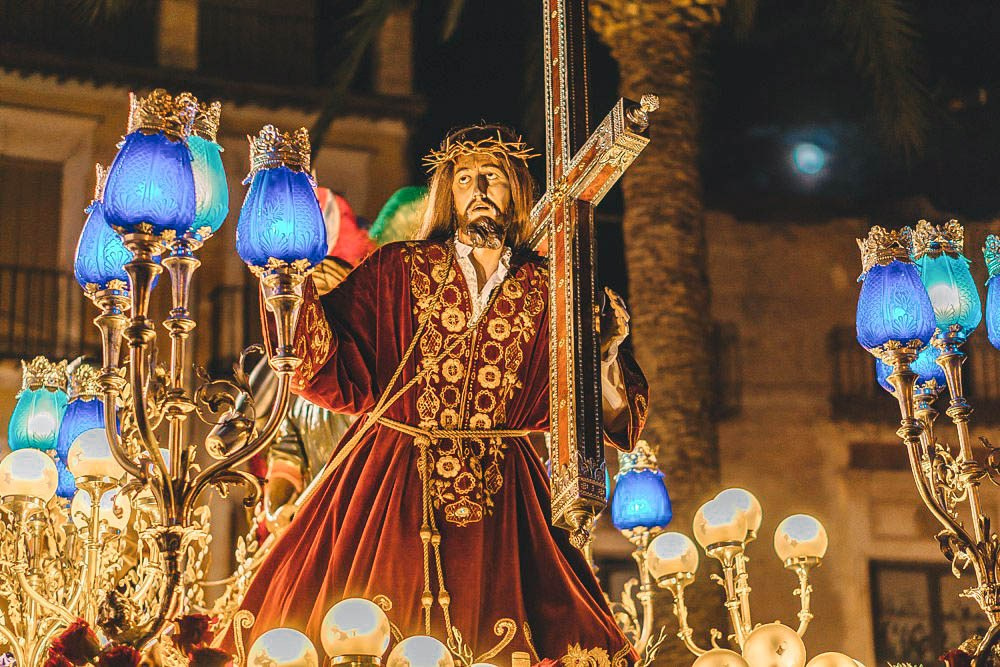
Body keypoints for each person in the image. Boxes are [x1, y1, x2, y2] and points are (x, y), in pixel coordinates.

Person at [228, 125, 648, 665]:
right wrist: (285, 285)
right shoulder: (397, 269)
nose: (478, 190)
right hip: (392, 479)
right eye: (466, 179)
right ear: (448, 193)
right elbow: (324, 365)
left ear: (515, 191)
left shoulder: (552, 289)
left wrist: (606, 355)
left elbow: (601, 414)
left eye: (492, 179)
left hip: (507, 494)